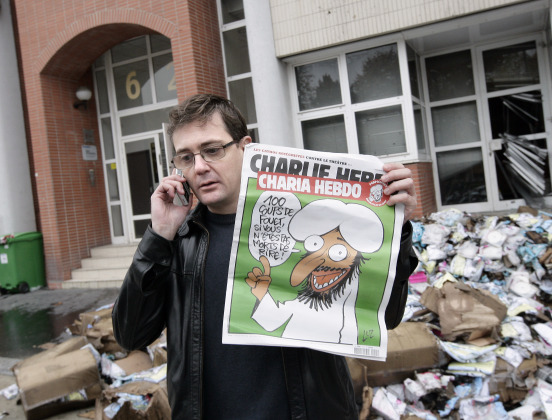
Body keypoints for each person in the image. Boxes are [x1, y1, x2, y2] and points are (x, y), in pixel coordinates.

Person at [112, 93, 418, 420]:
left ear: (246, 147)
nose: (199, 167)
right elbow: (131, 335)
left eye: (212, 150)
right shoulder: (179, 238)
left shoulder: (310, 225)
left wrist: (395, 228)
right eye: (185, 157)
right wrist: (158, 235)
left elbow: (384, 318)